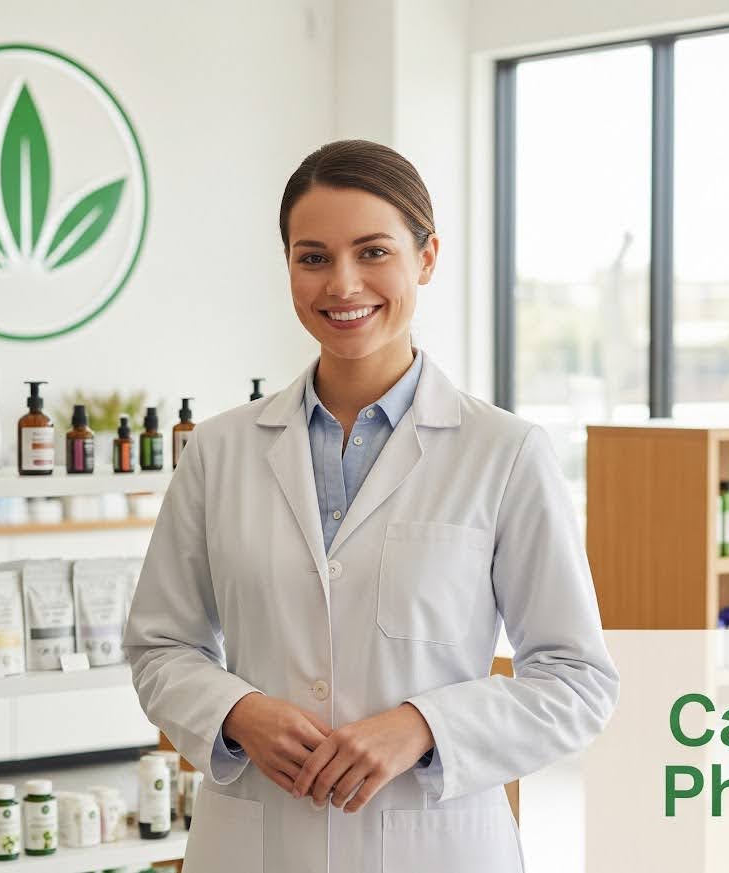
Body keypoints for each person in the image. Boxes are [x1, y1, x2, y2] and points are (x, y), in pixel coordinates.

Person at [123, 139, 618, 872]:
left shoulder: (504, 451)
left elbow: (577, 680)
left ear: (426, 257)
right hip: (256, 843)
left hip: (437, 844)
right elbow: (159, 645)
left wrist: (424, 725)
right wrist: (236, 711)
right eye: (313, 256)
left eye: (374, 252)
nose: (342, 284)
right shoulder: (220, 450)